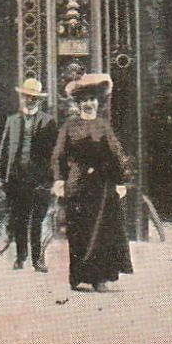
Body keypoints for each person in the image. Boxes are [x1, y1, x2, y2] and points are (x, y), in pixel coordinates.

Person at [51, 74, 132, 292]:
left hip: (101, 186)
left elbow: (116, 154)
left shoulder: (103, 126)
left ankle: (100, 278)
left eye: (92, 99)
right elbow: (59, 155)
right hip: (77, 184)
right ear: (78, 104)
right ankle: (78, 276)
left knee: (101, 231)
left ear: (98, 102)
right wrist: (59, 179)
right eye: (84, 100)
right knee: (79, 231)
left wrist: (120, 181)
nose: (89, 104)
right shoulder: (69, 126)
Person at [0, 77, 56, 271]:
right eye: (26, 96)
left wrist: (53, 179)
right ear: (21, 97)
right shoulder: (12, 121)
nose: (29, 100)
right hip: (16, 179)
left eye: (33, 98)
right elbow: (4, 149)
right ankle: (21, 256)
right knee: (19, 219)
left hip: (39, 180)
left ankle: (38, 260)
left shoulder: (48, 122)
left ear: (39, 100)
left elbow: (54, 153)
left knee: (37, 220)